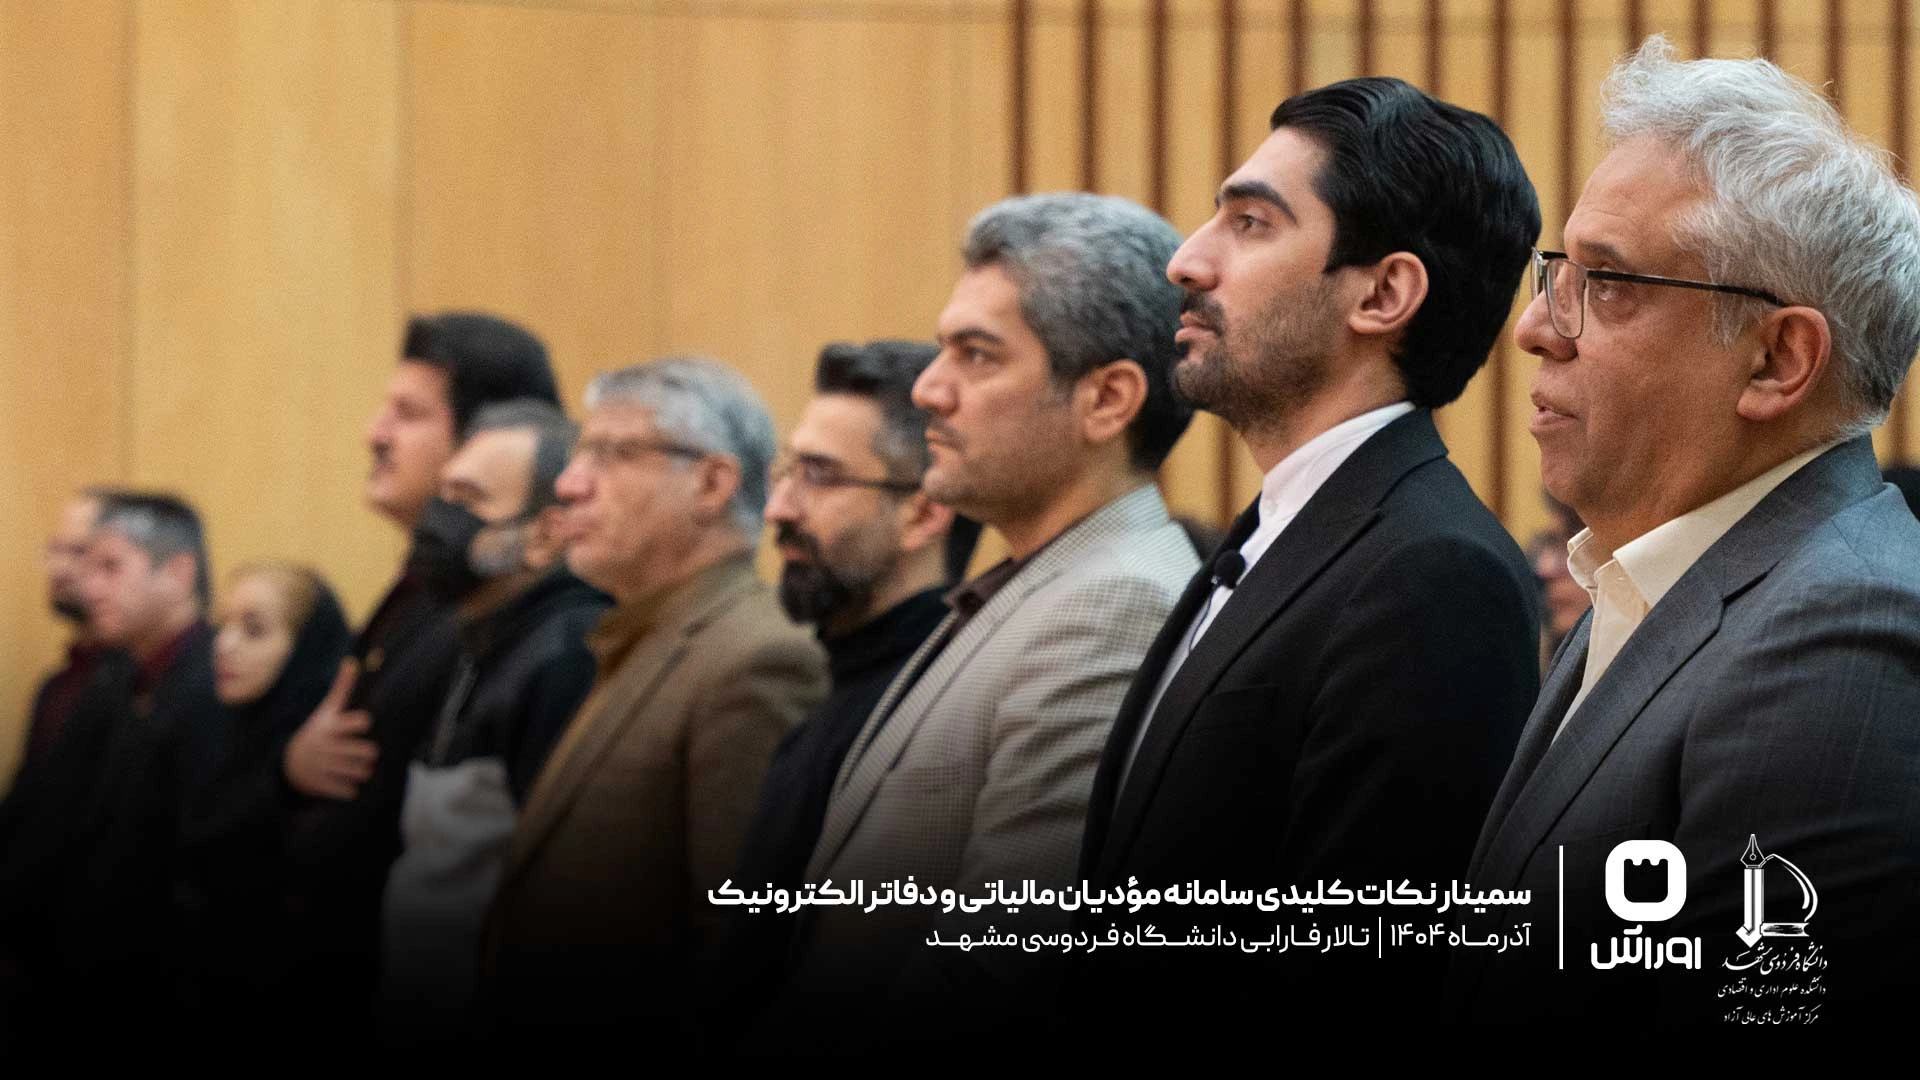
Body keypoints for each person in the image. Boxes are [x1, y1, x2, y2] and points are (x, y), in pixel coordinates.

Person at [1453, 37, 1920, 1029]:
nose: (1535, 328)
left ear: (1777, 360)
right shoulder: (1653, 576)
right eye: (1560, 271)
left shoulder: (1840, 636)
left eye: (1609, 282)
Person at [1075, 76, 1543, 1031]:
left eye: (1250, 224)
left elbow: (1360, 989)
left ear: (1383, 293)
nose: (1186, 260)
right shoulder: (1279, 529)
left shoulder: (1433, 578)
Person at [769, 193, 1200, 1051]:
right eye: (942, 350)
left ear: (1107, 399)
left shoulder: (1112, 605)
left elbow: (999, 976)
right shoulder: (1036, 582)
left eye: (976, 355)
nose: (929, 389)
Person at [480, 357, 827, 1044]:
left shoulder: (756, 661)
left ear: (712, 482)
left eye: (615, 454)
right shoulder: (640, 634)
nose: (570, 484)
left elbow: (737, 949)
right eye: (581, 453)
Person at [274, 311, 559, 1027]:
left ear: (484, 436)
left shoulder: (500, 622)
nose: (374, 433)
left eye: (407, 414)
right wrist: (291, 765)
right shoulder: (425, 597)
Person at [705, 339, 976, 1032]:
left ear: (924, 514)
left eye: (820, 477)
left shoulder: (932, 707)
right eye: (786, 473)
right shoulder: (839, 680)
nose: (778, 509)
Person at [380, 398, 609, 1041]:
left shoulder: (566, 654)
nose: (440, 520)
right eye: (444, 494)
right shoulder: (481, 634)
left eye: (470, 500)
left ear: (544, 536)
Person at [0, 493, 217, 1045]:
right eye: (86, 565)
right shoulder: (116, 681)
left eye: (110, 568)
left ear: (177, 573)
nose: (89, 587)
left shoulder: (214, 683)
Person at [177, 562, 351, 1028]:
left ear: (306, 646)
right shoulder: (216, 726)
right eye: (223, 625)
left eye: (253, 630)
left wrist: (284, 779)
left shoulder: (328, 749)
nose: (224, 644)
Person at [15, 489, 118, 775]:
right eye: (55, 550)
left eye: (78, 552)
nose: (58, 569)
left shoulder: (139, 687)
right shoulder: (56, 687)